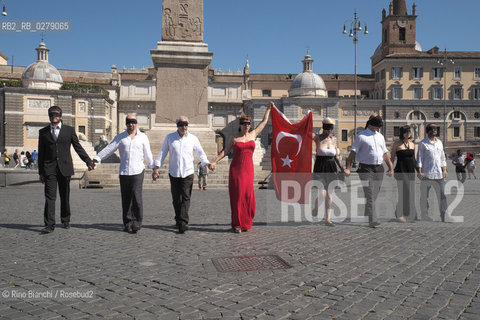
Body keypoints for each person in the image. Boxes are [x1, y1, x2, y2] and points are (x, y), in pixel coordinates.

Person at [211, 103, 271, 233]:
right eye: (244, 123)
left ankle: (246, 221)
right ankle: (237, 224)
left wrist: (268, 109)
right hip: (236, 170)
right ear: (240, 125)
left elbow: (264, 122)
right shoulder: (234, 138)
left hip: (248, 170)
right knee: (237, 196)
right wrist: (214, 161)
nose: (247, 125)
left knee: (248, 196)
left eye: (248, 123)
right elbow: (225, 152)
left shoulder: (253, 134)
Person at [92, 114, 154, 233]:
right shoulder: (120, 137)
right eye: (129, 122)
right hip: (124, 171)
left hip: (137, 171)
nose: (131, 124)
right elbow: (109, 149)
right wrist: (97, 158)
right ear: (126, 123)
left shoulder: (143, 137)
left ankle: (137, 222)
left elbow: (148, 154)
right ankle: (127, 222)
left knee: (136, 196)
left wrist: (153, 168)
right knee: (126, 198)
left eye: (133, 121)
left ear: (136, 123)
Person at [38, 106, 94, 234]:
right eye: (51, 115)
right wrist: (41, 172)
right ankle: (49, 224)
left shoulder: (69, 130)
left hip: (65, 167)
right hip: (49, 169)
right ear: (49, 116)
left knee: (65, 196)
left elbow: (77, 147)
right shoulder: (43, 132)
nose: (54, 117)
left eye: (56, 114)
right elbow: (41, 153)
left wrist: (88, 161)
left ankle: (65, 219)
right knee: (50, 197)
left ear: (61, 115)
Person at [152, 116, 213, 234]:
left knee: (186, 197)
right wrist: (156, 167)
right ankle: (178, 218)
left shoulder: (193, 138)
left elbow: (200, 153)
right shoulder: (169, 138)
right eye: (181, 124)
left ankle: (183, 222)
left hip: (188, 172)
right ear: (177, 126)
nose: (184, 127)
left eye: (186, 124)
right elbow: (162, 153)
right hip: (174, 172)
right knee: (176, 199)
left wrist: (206, 163)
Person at [344, 114, 393, 228]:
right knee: (370, 193)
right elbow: (352, 153)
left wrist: (390, 167)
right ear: (371, 123)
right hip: (365, 168)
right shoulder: (361, 136)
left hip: (379, 168)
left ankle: (368, 211)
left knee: (375, 193)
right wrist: (348, 167)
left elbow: (385, 153)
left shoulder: (380, 136)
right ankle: (372, 219)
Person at [311, 117, 344, 226]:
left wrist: (342, 168)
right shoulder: (317, 138)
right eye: (326, 128)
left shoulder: (334, 139)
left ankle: (328, 219)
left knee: (330, 194)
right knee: (321, 193)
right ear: (323, 128)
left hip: (331, 167)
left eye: (330, 129)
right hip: (320, 166)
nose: (328, 131)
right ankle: (316, 207)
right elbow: (305, 133)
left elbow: (337, 156)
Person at [416, 123, 448, 222]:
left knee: (442, 193)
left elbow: (442, 158)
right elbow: (419, 158)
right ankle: (425, 214)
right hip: (427, 174)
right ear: (428, 131)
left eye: (435, 129)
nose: (434, 130)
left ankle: (443, 214)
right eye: (432, 129)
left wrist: (445, 169)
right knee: (425, 196)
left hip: (438, 174)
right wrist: (419, 171)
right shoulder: (423, 143)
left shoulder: (440, 143)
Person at [390, 125, 417, 222]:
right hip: (400, 170)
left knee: (410, 192)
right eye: (406, 131)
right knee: (404, 191)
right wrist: (390, 168)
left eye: (409, 131)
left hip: (410, 171)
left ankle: (409, 213)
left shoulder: (412, 144)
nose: (408, 133)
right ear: (402, 133)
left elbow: (414, 159)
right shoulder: (396, 144)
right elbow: (392, 158)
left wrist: (418, 171)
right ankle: (400, 213)